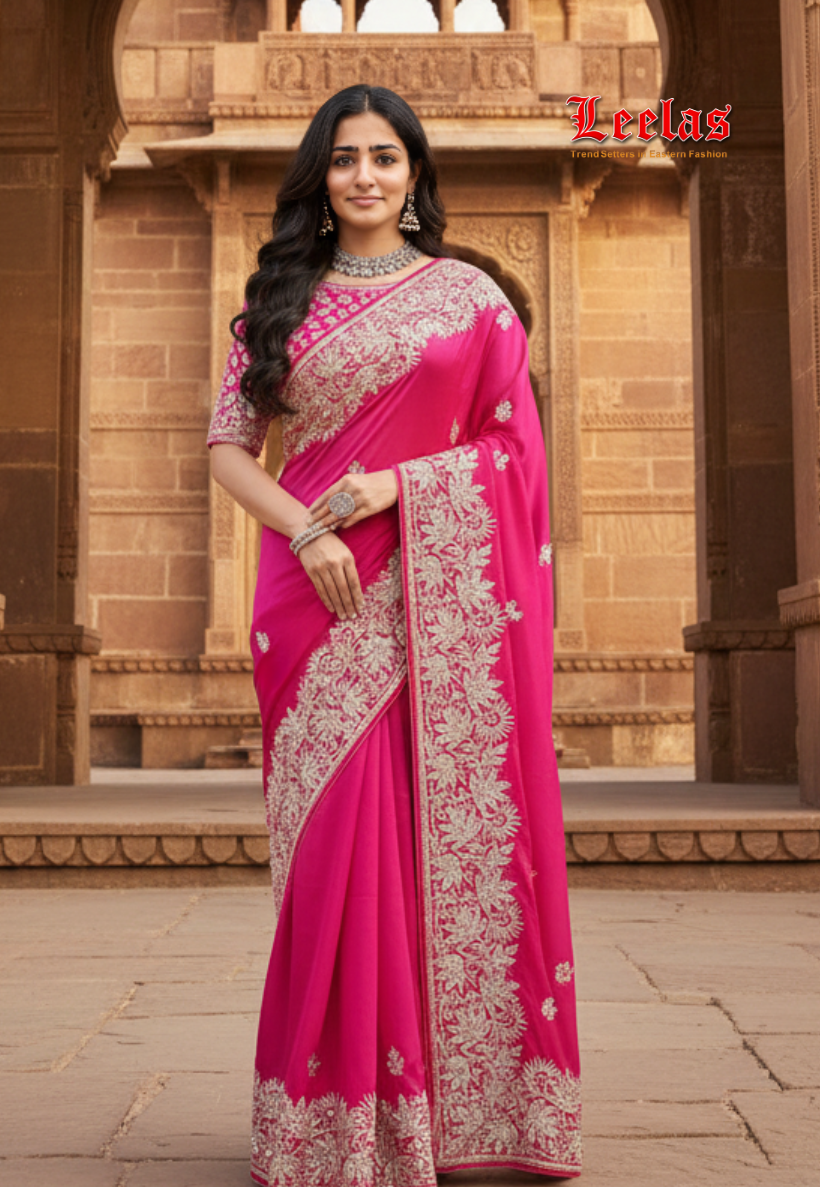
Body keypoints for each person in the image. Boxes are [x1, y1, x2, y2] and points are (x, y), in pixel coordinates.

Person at [208, 82, 582, 1186]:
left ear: (413, 171)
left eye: (382, 156)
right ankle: (325, 1123)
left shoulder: (470, 299)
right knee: (333, 854)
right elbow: (229, 448)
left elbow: (514, 457)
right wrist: (306, 528)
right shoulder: (278, 300)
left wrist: (396, 486)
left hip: (431, 589)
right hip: (310, 600)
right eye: (342, 158)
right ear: (318, 178)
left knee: (417, 847)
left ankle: (430, 1118)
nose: (363, 175)